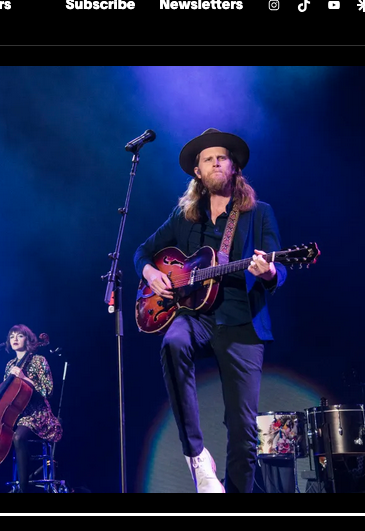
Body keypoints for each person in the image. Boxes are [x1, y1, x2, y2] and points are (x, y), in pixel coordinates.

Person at [133, 128, 287, 493]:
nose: (216, 162)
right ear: (197, 172)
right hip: (196, 317)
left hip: (242, 324)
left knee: (243, 429)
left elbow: (278, 269)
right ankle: (197, 456)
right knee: (173, 343)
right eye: (208, 159)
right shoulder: (184, 216)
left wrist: (268, 271)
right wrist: (151, 272)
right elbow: (141, 251)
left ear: (233, 166)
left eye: (222, 157)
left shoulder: (258, 214)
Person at [0, 324, 62, 493]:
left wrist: (25, 378)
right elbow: (6, 394)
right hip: (15, 416)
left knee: (18, 438)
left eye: (20, 336)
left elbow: (47, 391)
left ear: (28, 339)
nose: (15, 339)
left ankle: (24, 490)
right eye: (12, 336)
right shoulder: (10, 365)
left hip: (38, 415)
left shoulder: (39, 360)